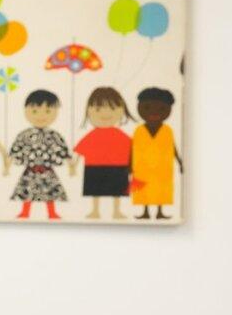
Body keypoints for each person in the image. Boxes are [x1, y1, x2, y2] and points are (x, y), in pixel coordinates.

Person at [71, 86, 134, 220]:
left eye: (111, 108)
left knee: (118, 192)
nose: (105, 114)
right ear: (89, 110)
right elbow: (79, 151)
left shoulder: (121, 135)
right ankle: (95, 211)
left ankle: (116, 211)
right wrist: (73, 166)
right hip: (94, 167)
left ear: (121, 110)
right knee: (95, 191)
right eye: (98, 109)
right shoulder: (92, 135)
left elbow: (133, 150)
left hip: (118, 167)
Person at [8, 90, 72, 220]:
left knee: (50, 193)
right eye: (35, 111)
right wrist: (7, 165)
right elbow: (16, 149)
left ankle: (52, 212)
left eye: (48, 111)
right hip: (30, 171)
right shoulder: (24, 135)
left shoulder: (54, 136)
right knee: (27, 192)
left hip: (47, 170)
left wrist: (71, 166)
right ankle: (25, 212)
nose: (41, 116)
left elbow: (63, 151)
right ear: (26, 111)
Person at [131, 87, 183, 220]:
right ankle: (145, 211)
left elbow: (173, 147)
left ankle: (160, 211)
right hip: (143, 166)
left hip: (162, 166)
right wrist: (129, 165)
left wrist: (180, 161)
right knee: (144, 189)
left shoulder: (167, 130)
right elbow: (132, 148)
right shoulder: (139, 130)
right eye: (147, 108)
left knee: (161, 188)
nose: (154, 112)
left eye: (161, 109)